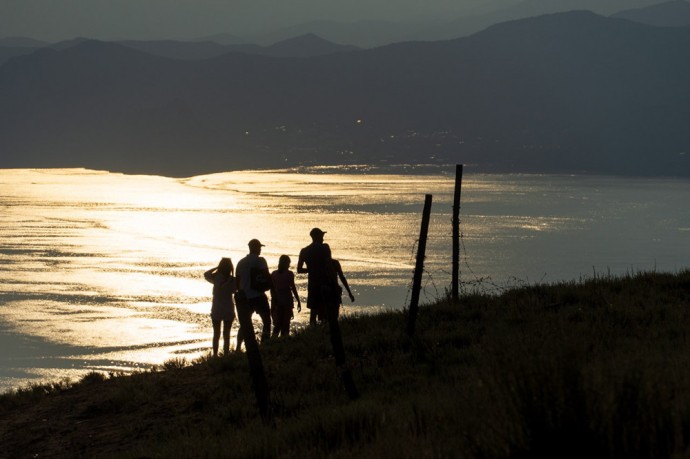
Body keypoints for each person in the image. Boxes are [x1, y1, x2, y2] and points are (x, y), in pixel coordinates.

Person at [235, 238, 272, 348]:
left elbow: (237, 281)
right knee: (266, 320)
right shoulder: (260, 260)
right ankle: (265, 344)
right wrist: (272, 287)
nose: (260, 250)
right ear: (255, 248)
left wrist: (241, 294)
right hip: (258, 295)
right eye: (259, 247)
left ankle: (238, 347)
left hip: (245, 297)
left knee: (245, 324)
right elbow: (266, 275)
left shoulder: (240, 262)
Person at [297, 228, 337, 324]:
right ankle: (325, 332)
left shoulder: (304, 251)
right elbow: (329, 265)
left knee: (313, 311)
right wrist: (335, 283)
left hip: (312, 284)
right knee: (326, 310)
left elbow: (299, 270)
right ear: (318, 236)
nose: (323, 239)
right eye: (322, 236)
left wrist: (311, 270)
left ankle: (313, 331)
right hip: (325, 283)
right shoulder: (325, 248)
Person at [204, 257, 237, 356]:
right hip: (228, 309)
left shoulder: (216, 277)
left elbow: (206, 274)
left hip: (217, 309)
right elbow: (235, 290)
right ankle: (226, 354)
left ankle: (215, 355)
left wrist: (216, 267)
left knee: (216, 334)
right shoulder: (232, 280)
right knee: (226, 334)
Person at [270, 255, 301, 337]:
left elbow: (272, 289)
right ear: (286, 263)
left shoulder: (274, 274)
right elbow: (293, 288)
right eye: (288, 263)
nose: (289, 265)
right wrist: (298, 300)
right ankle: (284, 340)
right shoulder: (289, 274)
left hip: (277, 299)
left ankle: (273, 340)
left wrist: (273, 301)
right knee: (286, 323)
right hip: (286, 299)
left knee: (278, 323)